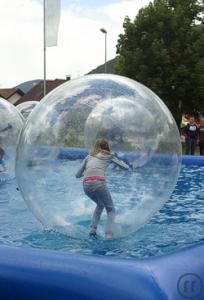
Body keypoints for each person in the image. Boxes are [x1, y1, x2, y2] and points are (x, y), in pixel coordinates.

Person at [75, 138, 130, 240]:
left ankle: (93, 230)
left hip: (86, 185)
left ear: (95, 147)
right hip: (99, 183)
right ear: (106, 147)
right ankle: (108, 234)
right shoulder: (109, 156)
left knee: (100, 204)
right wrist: (119, 160)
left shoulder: (89, 157)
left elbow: (77, 175)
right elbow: (125, 167)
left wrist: (88, 172)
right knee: (111, 209)